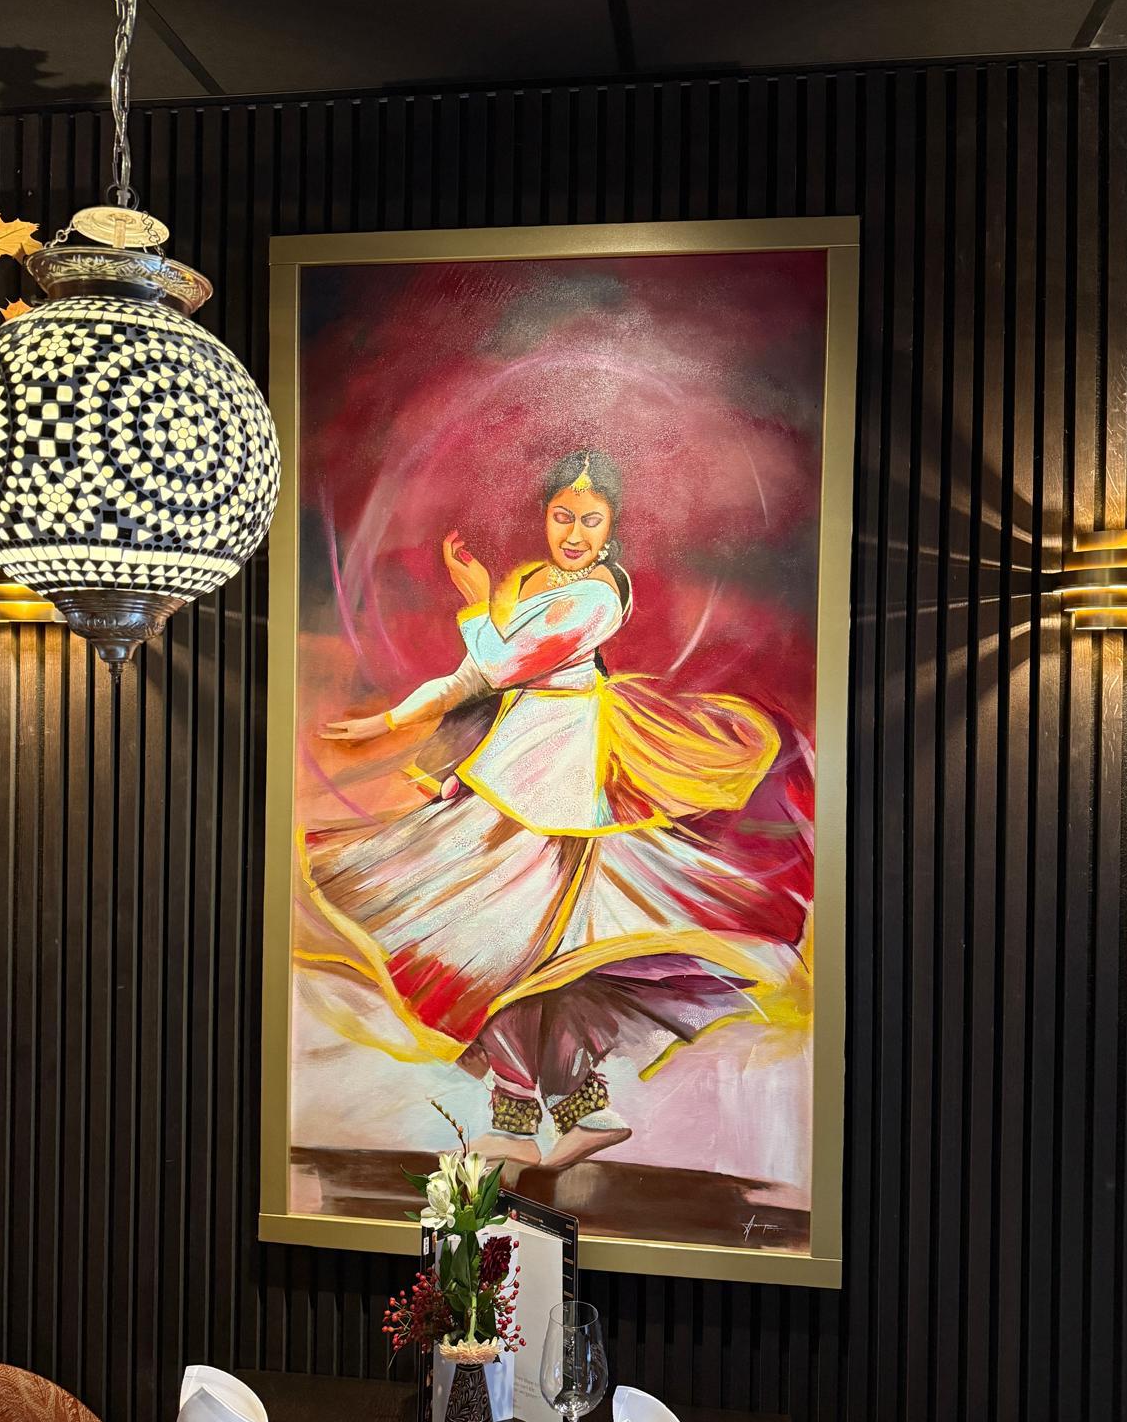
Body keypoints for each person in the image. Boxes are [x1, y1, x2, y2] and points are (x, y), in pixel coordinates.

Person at [305, 449, 812, 1170]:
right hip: (506, 777)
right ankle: (578, 1110)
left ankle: (525, 1116)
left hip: (560, 793)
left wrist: (472, 608)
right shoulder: (531, 582)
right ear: (545, 517)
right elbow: (473, 678)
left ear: (611, 527)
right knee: (512, 955)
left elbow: (499, 665)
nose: (574, 533)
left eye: (590, 520)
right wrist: (389, 718)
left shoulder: (600, 596)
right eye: (562, 515)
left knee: (512, 954)